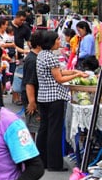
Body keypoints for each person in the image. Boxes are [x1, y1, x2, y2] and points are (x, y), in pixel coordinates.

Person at [35, 30, 85, 171]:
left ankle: (43, 160)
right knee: (54, 130)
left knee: (44, 128)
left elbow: (59, 72)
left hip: (44, 97)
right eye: (57, 40)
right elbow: (60, 78)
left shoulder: (42, 55)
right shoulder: (51, 57)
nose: (59, 42)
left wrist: (76, 72)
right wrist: (76, 77)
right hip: (54, 97)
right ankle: (54, 163)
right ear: (51, 42)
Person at [22, 30, 43, 140]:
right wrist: (32, 102)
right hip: (32, 98)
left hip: (34, 97)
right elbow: (29, 83)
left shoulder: (35, 57)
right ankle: (30, 153)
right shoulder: (32, 60)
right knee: (33, 128)